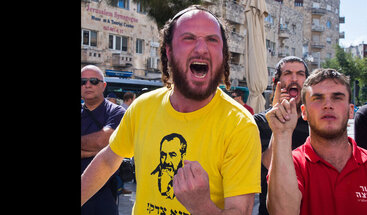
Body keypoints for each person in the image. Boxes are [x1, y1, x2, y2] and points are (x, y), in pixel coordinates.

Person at [81, 5, 261, 215]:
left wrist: (202, 206)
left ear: (223, 54)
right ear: (168, 50)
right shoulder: (142, 107)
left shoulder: (240, 125)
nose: (201, 48)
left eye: (212, 40)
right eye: (189, 38)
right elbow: (108, 160)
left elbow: (240, 211)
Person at [266, 68, 367, 215]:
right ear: (304, 112)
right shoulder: (290, 164)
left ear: (351, 110)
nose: (328, 105)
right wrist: (282, 133)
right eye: (318, 98)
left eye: (337, 97)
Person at [253, 56, 310, 215]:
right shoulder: (258, 123)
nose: (294, 78)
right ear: (276, 82)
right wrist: (279, 123)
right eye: (288, 73)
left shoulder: (314, 122)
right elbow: (265, 167)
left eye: (300, 74)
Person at [81, 65, 126, 215]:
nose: (87, 85)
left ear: (103, 85)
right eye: (83, 81)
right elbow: (103, 145)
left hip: (104, 193)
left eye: (93, 81)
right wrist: (98, 150)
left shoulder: (116, 111)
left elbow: (104, 141)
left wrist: (103, 146)